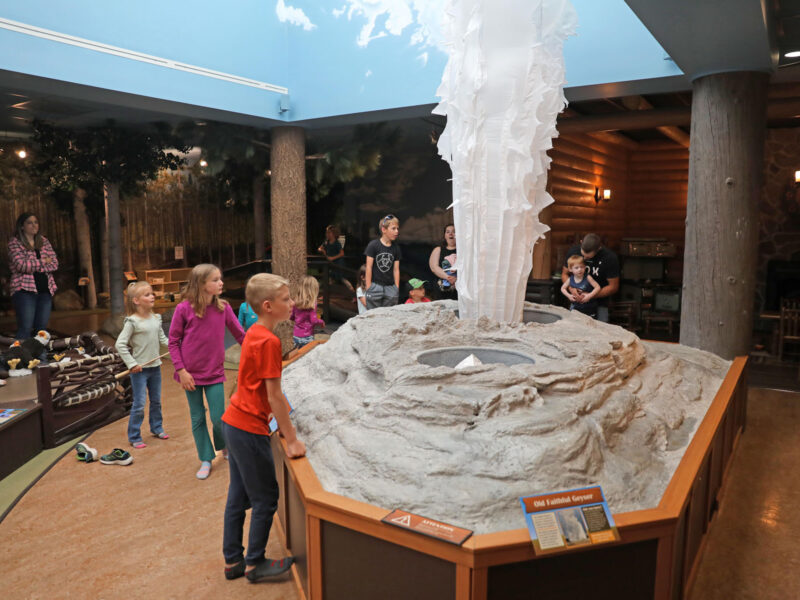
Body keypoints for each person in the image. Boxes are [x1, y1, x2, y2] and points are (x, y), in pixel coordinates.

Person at [221, 273, 305, 583]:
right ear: (268, 306)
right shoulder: (269, 341)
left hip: (233, 422)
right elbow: (274, 395)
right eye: (286, 299)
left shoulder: (253, 332)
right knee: (266, 498)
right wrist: (292, 438)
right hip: (248, 428)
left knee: (237, 496)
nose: (292, 303)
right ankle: (255, 563)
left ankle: (233, 561)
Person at [168, 263, 245, 480]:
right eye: (215, 280)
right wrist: (182, 371)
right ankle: (205, 458)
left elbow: (241, 336)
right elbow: (173, 342)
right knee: (197, 417)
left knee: (219, 417)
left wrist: (261, 348)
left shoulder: (224, 308)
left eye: (220, 279)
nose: (221, 283)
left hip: (214, 373)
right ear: (202, 284)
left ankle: (224, 447)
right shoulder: (183, 309)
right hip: (190, 374)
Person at [115, 281, 170, 449]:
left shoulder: (156, 318)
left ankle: (157, 427)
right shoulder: (132, 322)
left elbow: (163, 340)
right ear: (136, 301)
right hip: (139, 370)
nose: (152, 296)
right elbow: (120, 344)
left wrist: (176, 347)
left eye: (152, 293)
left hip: (155, 367)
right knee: (139, 404)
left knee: (156, 401)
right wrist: (132, 364)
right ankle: (134, 435)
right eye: (147, 294)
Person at [8, 213, 58, 340]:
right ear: (22, 226)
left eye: (36, 222)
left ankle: (39, 359)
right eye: (29, 222)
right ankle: (20, 358)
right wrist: (43, 261)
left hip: (45, 290)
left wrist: (34, 265)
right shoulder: (15, 242)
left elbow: (55, 264)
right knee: (25, 328)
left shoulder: (44, 241)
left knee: (41, 330)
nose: (34, 225)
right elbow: (21, 266)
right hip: (24, 291)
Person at [561, 233, 620, 322]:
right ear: (581, 242)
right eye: (583, 254)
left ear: (599, 248)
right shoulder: (573, 251)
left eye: (588, 257)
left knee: (601, 331)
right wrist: (572, 289)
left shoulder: (610, 258)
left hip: (600, 303)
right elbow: (565, 274)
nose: (584, 258)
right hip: (576, 303)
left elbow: (613, 286)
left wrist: (590, 295)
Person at [364, 214, 401, 309]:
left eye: (397, 228)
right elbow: (368, 267)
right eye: (393, 228)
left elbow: (396, 269)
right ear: (384, 230)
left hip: (390, 287)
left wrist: (396, 287)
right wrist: (368, 286)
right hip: (375, 285)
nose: (397, 231)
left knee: (389, 315)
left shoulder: (396, 248)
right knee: (373, 315)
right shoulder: (373, 245)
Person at [291, 276, 325, 349]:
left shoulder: (295, 302)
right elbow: (314, 320)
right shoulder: (313, 304)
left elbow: (291, 316)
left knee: (296, 357)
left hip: (295, 336)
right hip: (307, 337)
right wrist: (321, 321)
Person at [317, 225, 353, 291]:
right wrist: (322, 250)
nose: (327, 234)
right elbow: (319, 248)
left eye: (329, 233)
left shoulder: (337, 243)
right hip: (331, 264)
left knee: (342, 279)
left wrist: (332, 258)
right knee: (327, 278)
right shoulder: (326, 242)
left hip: (338, 264)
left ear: (334, 234)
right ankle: (325, 294)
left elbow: (342, 253)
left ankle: (352, 292)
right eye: (326, 233)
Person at [428, 224, 457, 299]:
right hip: (441, 289)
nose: (451, 233)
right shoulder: (438, 249)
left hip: (459, 287)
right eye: (448, 232)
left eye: (454, 231)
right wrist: (448, 277)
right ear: (445, 236)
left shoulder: (463, 250)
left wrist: (457, 278)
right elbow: (434, 267)